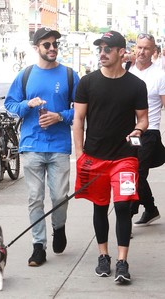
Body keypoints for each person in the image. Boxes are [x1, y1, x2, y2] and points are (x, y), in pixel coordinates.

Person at [72, 31, 148, 283]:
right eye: (100, 49)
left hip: (125, 158)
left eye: (107, 49)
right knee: (100, 206)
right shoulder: (87, 82)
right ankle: (103, 255)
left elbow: (143, 118)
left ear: (120, 52)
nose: (102, 53)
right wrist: (80, 154)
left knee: (123, 206)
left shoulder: (136, 85)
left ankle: (122, 261)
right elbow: (78, 120)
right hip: (95, 157)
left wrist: (138, 130)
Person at [5, 27, 80, 267]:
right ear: (36, 47)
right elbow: (10, 104)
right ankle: (38, 245)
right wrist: (28, 104)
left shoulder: (69, 75)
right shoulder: (25, 75)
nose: (52, 48)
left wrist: (59, 116)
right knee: (35, 198)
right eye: (47, 44)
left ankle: (59, 227)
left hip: (59, 146)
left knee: (59, 196)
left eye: (55, 44)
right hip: (31, 145)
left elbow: (80, 111)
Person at [128, 33, 165, 226]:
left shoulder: (160, 75)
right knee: (130, 173)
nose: (142, 51)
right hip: (128, 133)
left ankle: (128, 215)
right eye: (139, 47)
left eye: (146, 48)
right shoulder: (128, 71)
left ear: (154, 52)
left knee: (137, 174)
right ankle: (150, 209)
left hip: (149, 132)